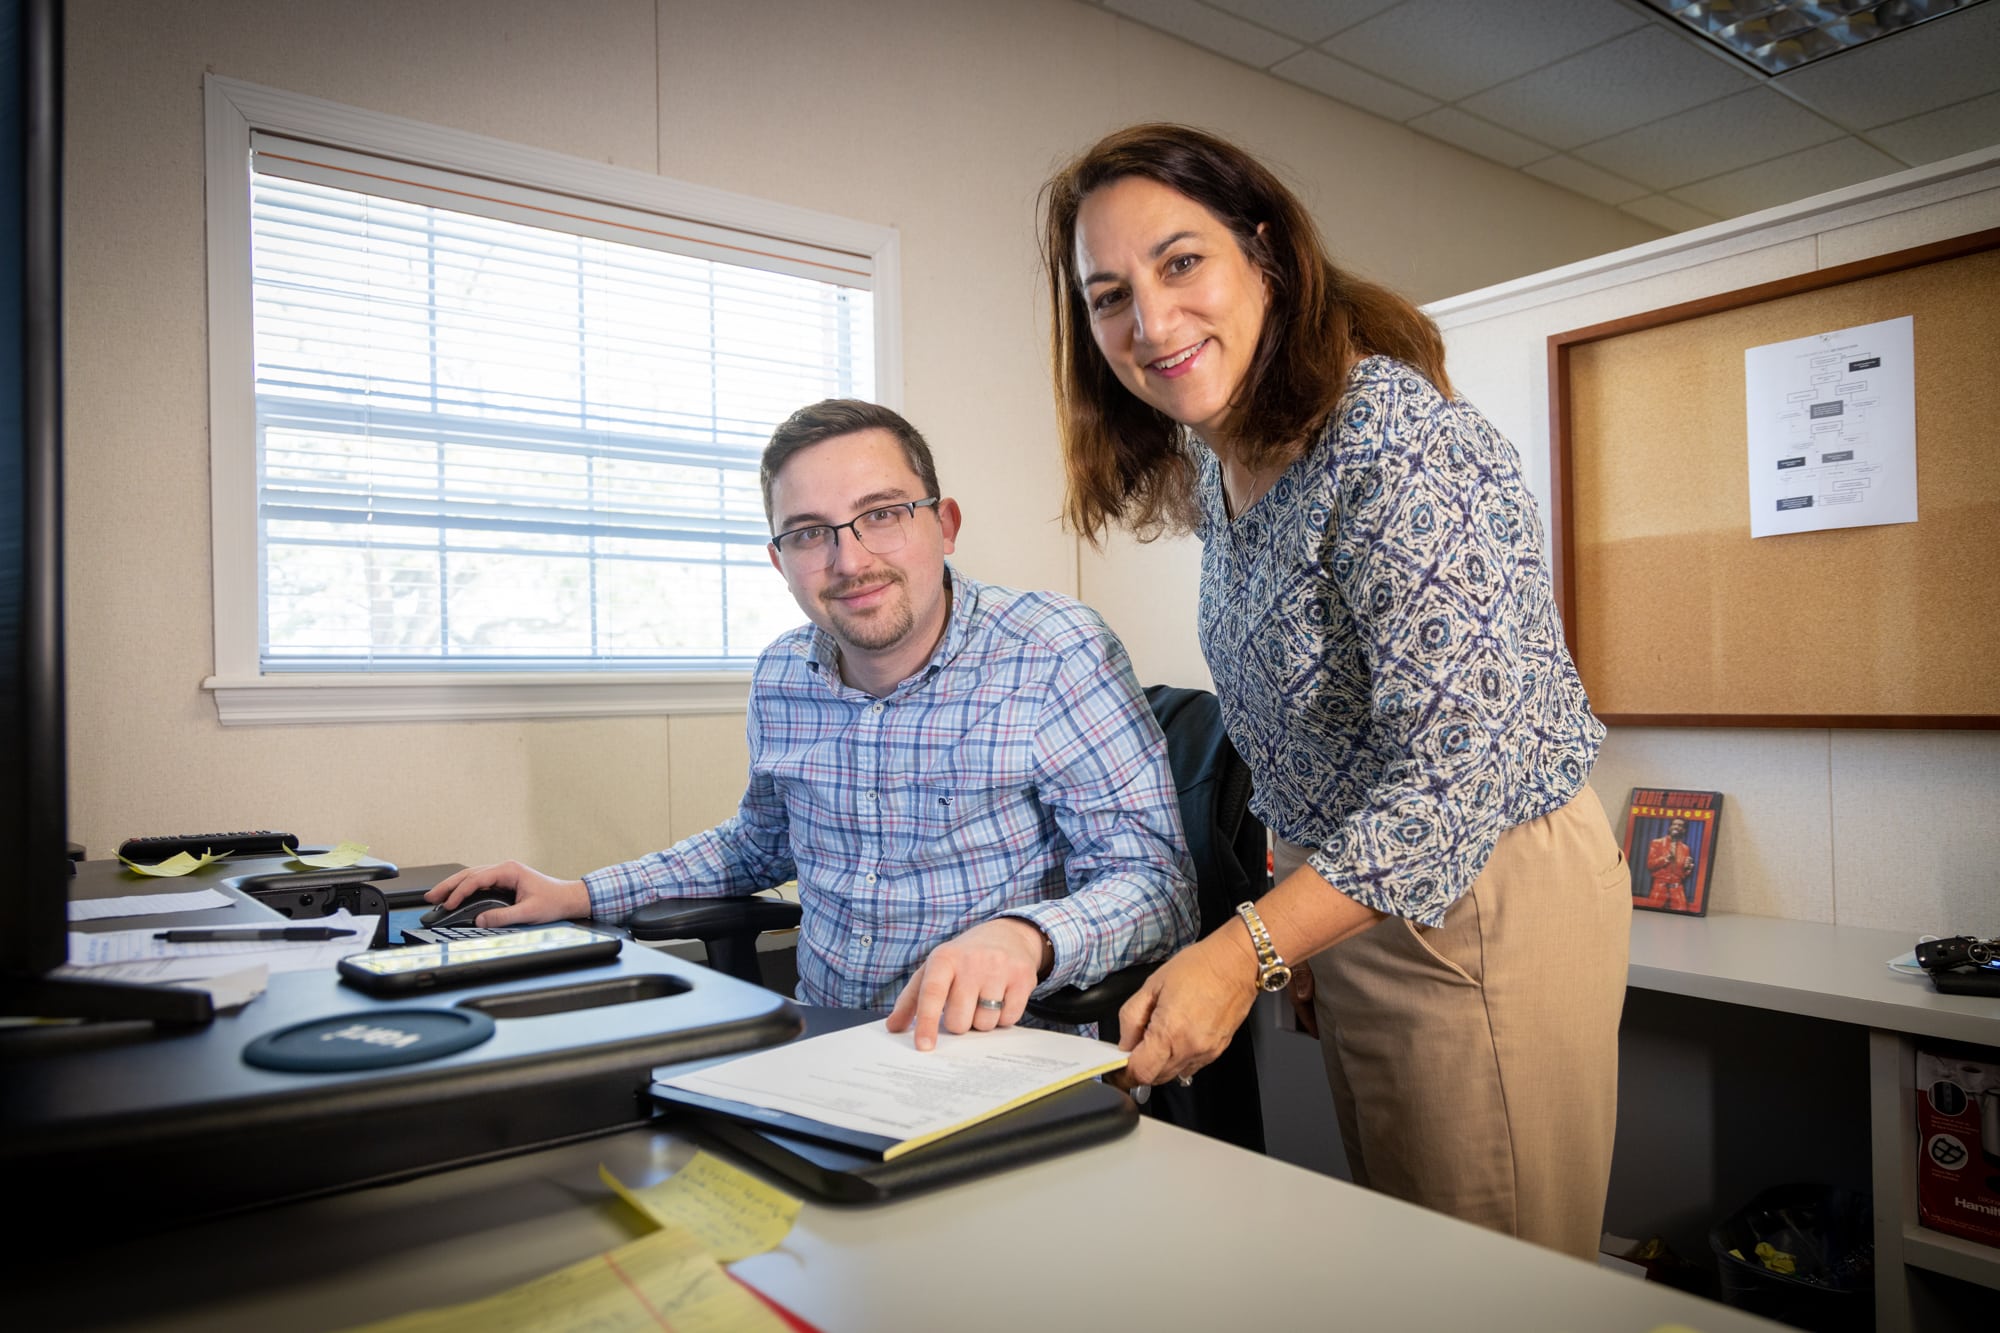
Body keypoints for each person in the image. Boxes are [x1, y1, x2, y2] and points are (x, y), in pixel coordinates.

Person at [1039, 124, 1631, 1259]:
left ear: (1264, 253)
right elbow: (1293, 731)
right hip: (1357, 898)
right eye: (1107, 294)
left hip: (1483, 890)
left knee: (1489, 1279)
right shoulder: (1228, 466)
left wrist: (1246, 948)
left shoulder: (1393, 440)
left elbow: (1453, 775)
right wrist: (1300, 930)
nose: (1149, 323)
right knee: (1413, 1261)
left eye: (1179, 264)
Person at [427, 399, 1197, 1050]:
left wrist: (1025, 936)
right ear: (780, 559)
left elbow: (1159, 886)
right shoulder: (783, 676)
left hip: (994, 1058)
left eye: (882, 515)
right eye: (808, 532)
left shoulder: (1054, 652)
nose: (849, 558)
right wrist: (581, 893)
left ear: (946, 523)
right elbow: (755, 846)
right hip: (814, 1049)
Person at [1646, 818, 1695, 911]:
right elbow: (1650, 865)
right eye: (1674, 824)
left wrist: (1688, 869)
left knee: (1681, 916)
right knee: (1652, 915)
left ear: (1683, 830)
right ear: (1670, 827)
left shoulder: (1685, 848)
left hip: (1677, 889)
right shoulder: (1657, 843)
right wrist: (1666, 859)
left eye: (1680, 825)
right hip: (1659, 887)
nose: (1676, 826)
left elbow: (1683, 874)